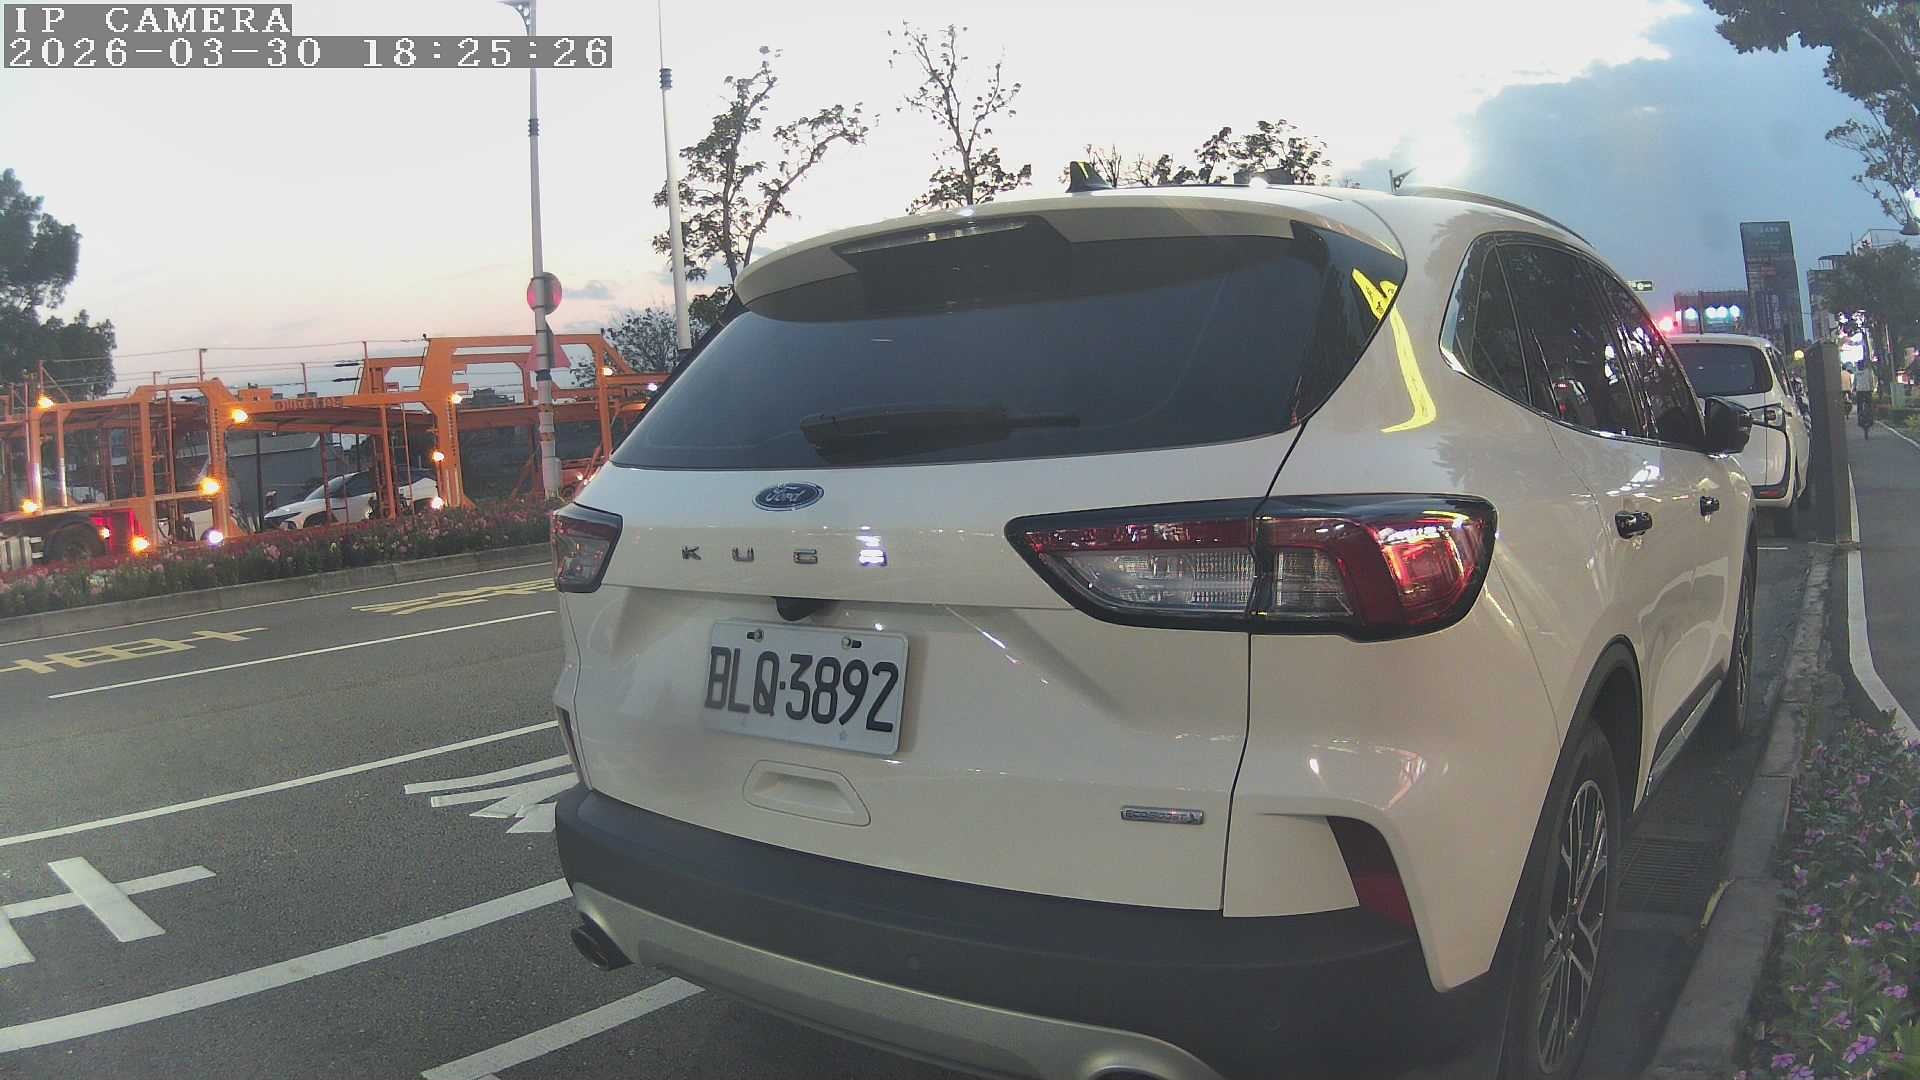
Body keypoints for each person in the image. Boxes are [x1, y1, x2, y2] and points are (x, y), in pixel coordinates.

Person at [1856, 361, 1878, 437]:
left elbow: (1855, 382)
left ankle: (1859, 419)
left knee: (1859, 406)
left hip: (1859, 391)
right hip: (1867, 391)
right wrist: (1872, 388)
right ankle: (1871, 417)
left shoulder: (1857, 372)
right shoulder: (1868, 371)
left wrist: (1854, 388)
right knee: (1870, 405)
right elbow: (1871, 381)